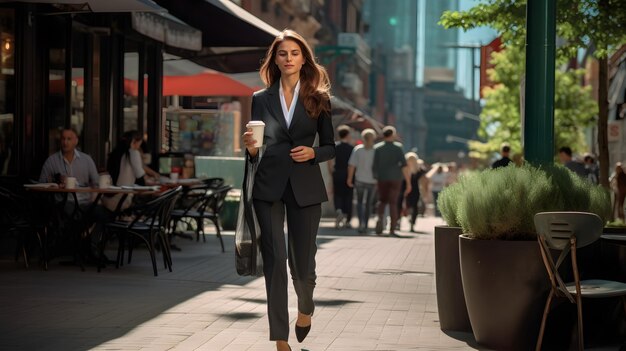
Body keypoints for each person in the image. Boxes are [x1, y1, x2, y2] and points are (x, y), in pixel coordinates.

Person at [242, 29, 335, 351]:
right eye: (283, 53)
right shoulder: (259, 99)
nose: (289, 58)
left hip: (306, 187)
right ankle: (280, 338)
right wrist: (251, 149)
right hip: (267, 187)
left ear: (303, 58)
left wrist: (314, 153)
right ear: (275, 59)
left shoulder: (319, 98)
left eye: (295, 53)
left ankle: (306, 306)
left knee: (303, 263)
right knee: (274, 261)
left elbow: (331, 146)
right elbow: (256, 146)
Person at [39, 128, 99, 207]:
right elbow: (41, 184)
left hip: (85, 203)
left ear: (76, 141)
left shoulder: (87, 160)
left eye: (69, 139)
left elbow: (96, 183)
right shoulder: (51, 161)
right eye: (63, 139)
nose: (65, 142)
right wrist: (56, 182)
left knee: (102, 214)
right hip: (62, 204)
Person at [372, 126, 411, 236]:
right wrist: (408, 182)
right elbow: (404, 166)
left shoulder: (377, 148)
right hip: (396, 178)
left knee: (382, 200)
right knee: (393, 203)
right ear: (392, 135)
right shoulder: (398, 147)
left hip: (382, 178)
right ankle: (392, 229)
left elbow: (374, 166)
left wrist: (376, 178)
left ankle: (379, 218)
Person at [102, 131, 148, 211]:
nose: (140, 146)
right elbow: (139, 174)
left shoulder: (117, 153)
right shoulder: (133, 153)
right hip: (123, 200)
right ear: (134, 141)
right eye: (140, 142)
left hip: (110, 197)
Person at [347, 128, 377, 234]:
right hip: (372, 181)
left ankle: (360, 224)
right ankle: (366, 225)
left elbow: (352, 165)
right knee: (368, 203)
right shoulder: (376, 150)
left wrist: (349, 179)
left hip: (359, 179)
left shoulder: (358, 149)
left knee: (360, 203)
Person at [330, 125, 354, 228]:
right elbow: (352, 165)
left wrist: (331, 171)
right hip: (349, 174)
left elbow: (329, 161)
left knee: (338, 194)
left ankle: (338, 210)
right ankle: (347, 219)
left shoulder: (335, 147)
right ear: (347, 135)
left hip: (337, 172)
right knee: (348, 196)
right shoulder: (352, 148)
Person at [399, 152, 426, 232]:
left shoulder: (405, 168)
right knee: (413, 207)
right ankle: (411, 224)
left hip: (405, 189)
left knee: (402, 206)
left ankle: (401, 222)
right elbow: (424, 180)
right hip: (413, 190)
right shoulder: (418, 170)